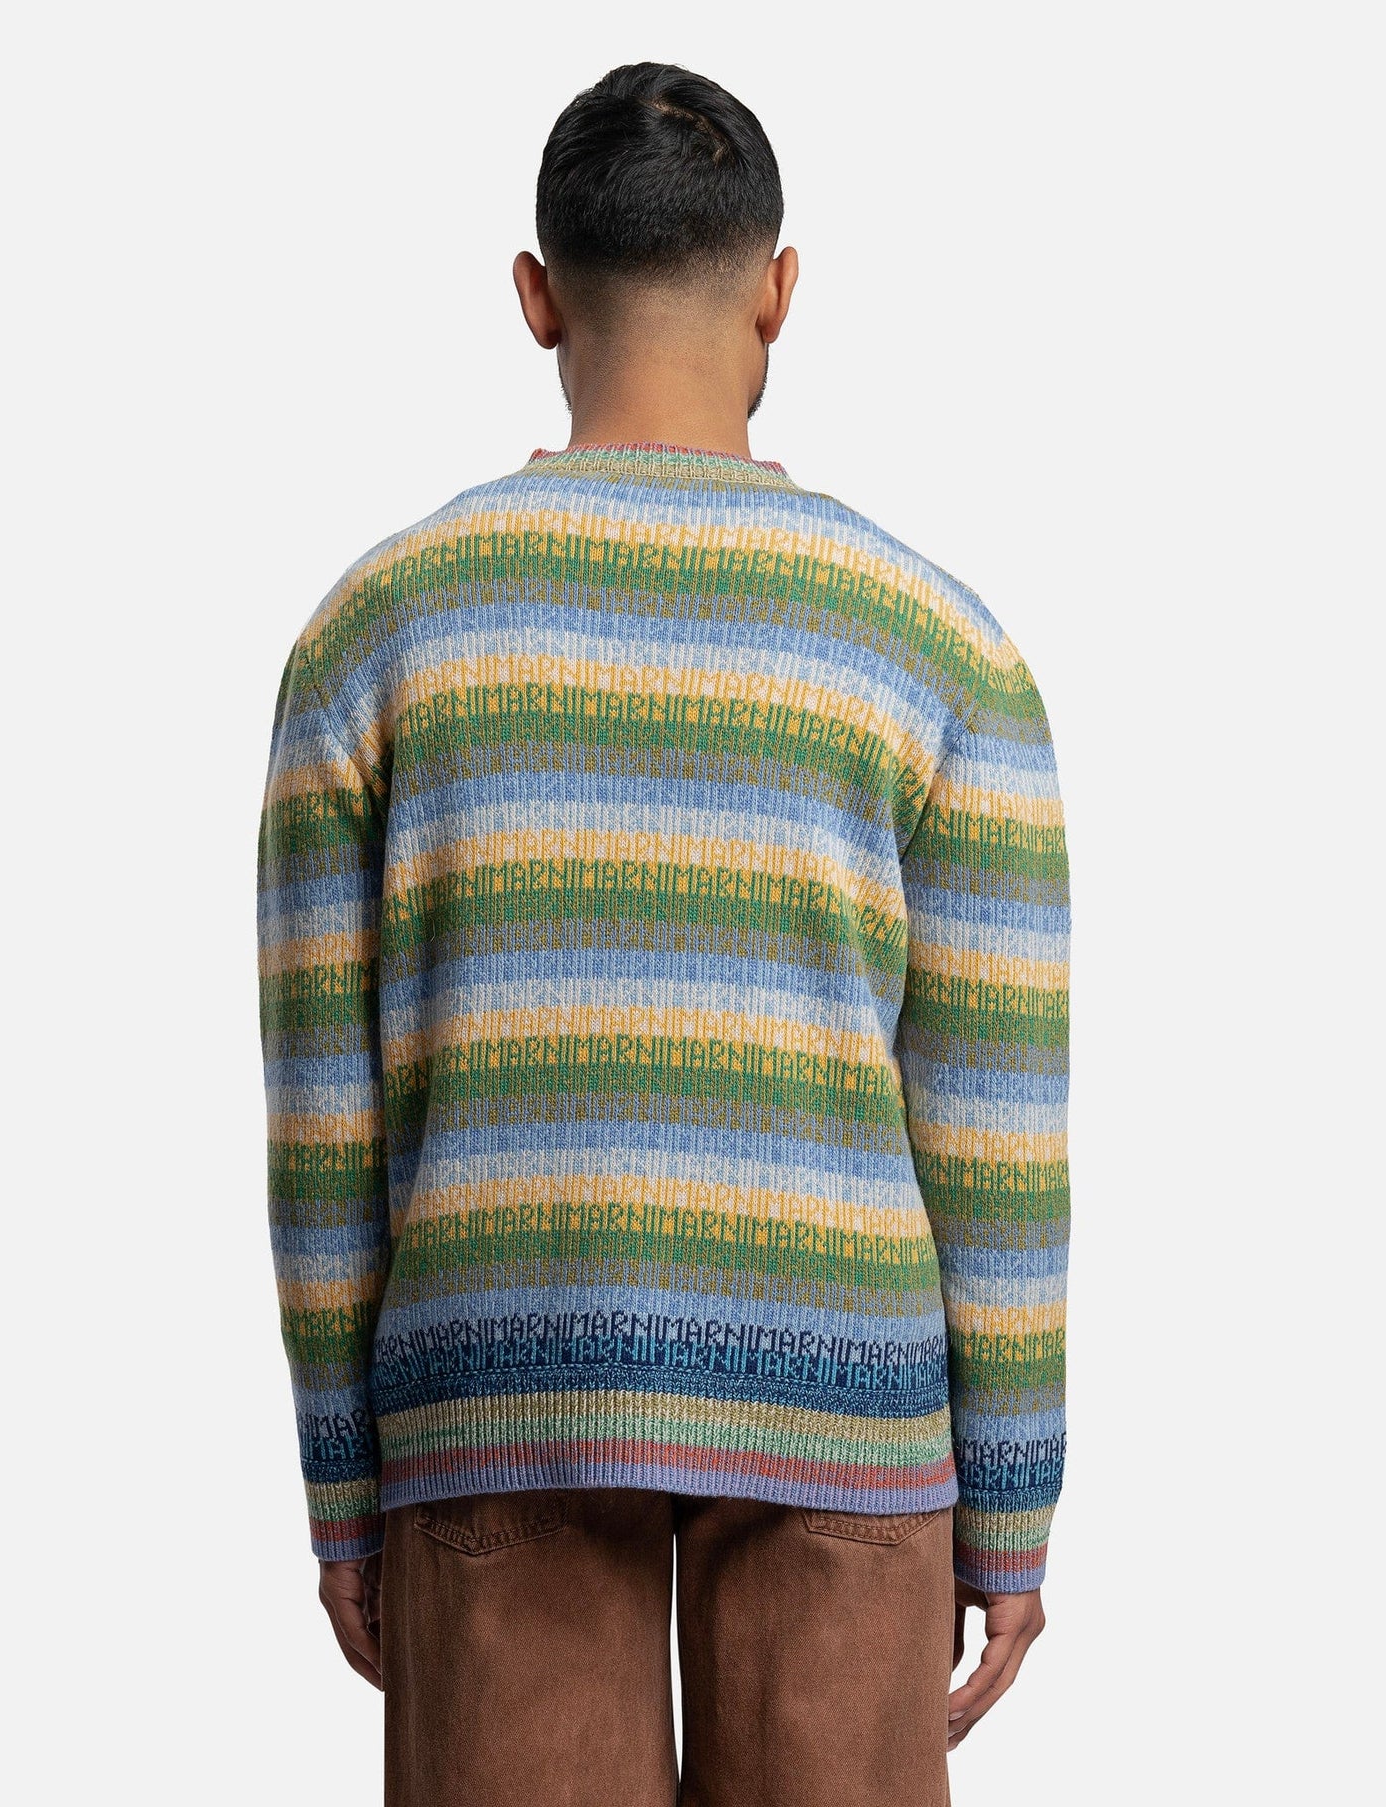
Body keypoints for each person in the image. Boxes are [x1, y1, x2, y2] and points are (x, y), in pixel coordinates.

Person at [256, 59, 1071, 1807]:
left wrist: (343, 1487)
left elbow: (325, 1129)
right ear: (779, 289)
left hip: (491, 1399)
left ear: (536, 296)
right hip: (845, 1410)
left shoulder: (377, 634)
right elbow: (992, 1134)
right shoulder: (936, 645)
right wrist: (1010, 1501)